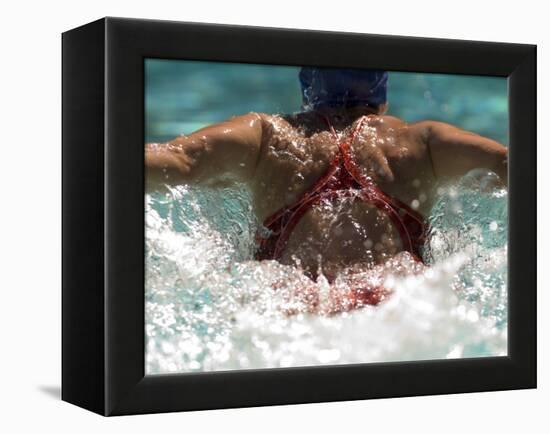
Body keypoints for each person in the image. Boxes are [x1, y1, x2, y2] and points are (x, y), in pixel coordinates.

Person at [145, 67, 508, 314]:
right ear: (382, 95)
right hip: (394, 308)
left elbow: (175, 161)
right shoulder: (420, 143)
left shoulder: (267, 137)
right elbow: (512, 165)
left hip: (295, 306)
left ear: (308, 86)